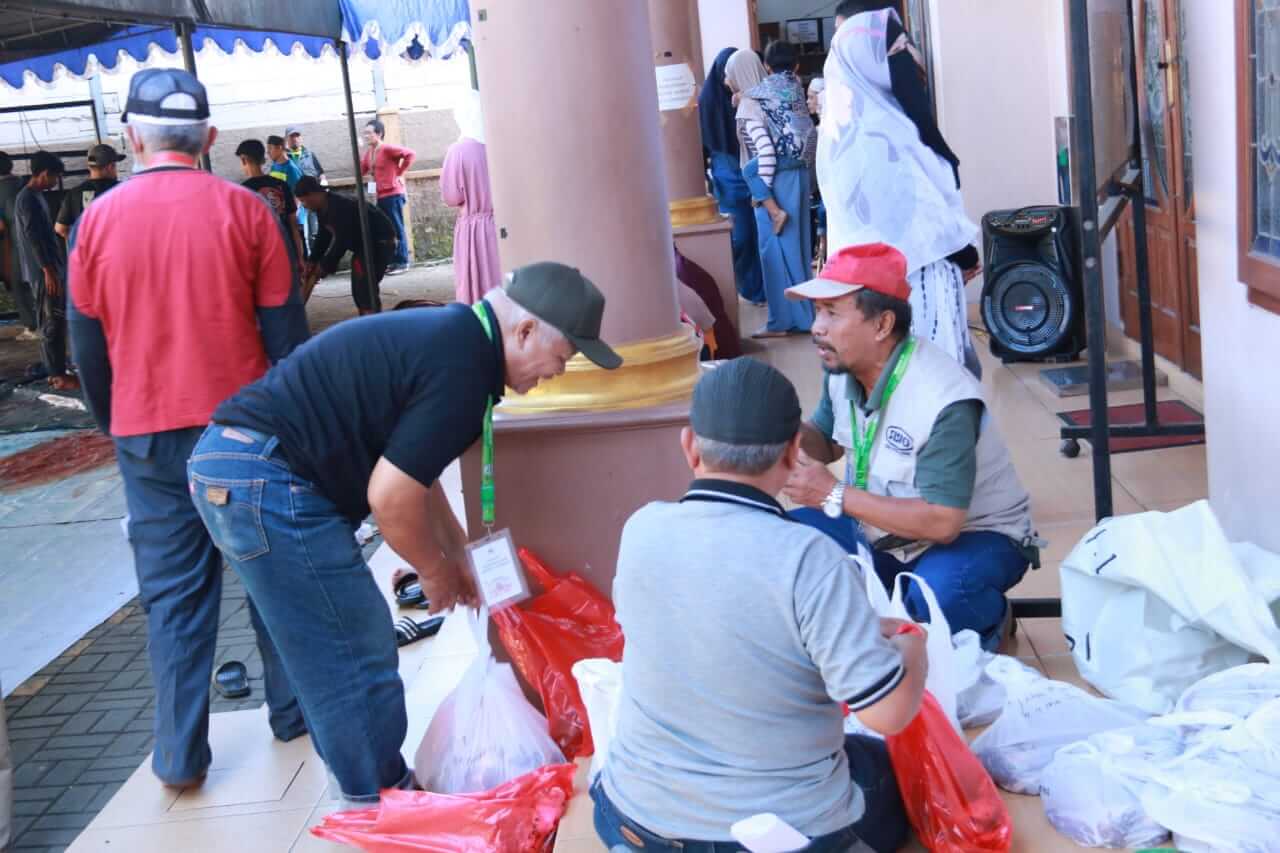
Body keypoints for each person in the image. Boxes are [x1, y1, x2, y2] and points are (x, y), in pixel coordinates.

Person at [187, 262, 622, 802]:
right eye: (563, 356)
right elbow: (390, 498)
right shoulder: (463, 367)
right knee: (355, 649)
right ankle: (381, 802)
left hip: (242, 466)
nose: (557, 371)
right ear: (525, 331)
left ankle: (365, 790)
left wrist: (460, 552)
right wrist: (435, 571)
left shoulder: (461, 346)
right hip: (263, 475)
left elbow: (418, 476)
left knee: (329, 649)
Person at [66, 68, 309, 789]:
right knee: (267, 572)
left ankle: (177, 756)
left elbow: (86, 348)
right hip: (243, 432)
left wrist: (117, 421)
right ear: (207, 138)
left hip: (145, 436)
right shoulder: (249, 212)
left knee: (172, 596)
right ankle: (293, 715)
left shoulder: (94, 222)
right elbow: (286, 338)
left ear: (131, 138)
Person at [596, 357, 924, 853]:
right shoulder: (810, 559)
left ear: (690, 446)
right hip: (783, 836)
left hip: (635, 820)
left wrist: (849, 627)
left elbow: (718, 616)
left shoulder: (641, 528)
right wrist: (911, 648)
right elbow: (888, 713)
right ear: (795, 455)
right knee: (882, 765)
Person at [782, 243, 1036, 651]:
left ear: (882, 325)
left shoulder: (943, 399)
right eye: (816, 312)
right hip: (883, 531)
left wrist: (832, 493)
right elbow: (826, 443)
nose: (816, 328)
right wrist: (780, 427)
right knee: (783, 540)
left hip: (974, 535)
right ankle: (884, 613)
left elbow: (942, 523)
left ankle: (991, 623)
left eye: (831, 312)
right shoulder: (842, 370)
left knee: (941, 595)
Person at [822, 2, 983, 375]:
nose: (905, 59)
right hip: (912, 291)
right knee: (928, 382)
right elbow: (924, 219)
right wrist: (963, 254)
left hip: (867, 298)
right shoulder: (886, 139)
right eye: (895, 52)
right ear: (870, 60)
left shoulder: (844, 137)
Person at [725, 48, 815, 339]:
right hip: (798, 174)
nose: (727, 81)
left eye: (729, 74)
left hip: (773, 181)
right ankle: (803, 316)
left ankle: (781, 321)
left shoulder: (752, 103)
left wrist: (763, 197)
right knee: (797, 248)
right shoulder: (792, 91)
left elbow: (764, 151)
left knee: (773, 250)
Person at [700, 47, 765, 306]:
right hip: (727, 174)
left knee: (762, 232)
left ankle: (765, 290)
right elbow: (704, 142)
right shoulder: (709, 100)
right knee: (742, 235)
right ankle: (750, 287)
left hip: (753, 168)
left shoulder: (748, 99)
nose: (729, 81)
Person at [14, 151, 76, 390]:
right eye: (54, 177)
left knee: (56, 320)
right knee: (50, 322)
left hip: (50, 267)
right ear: (43, 174)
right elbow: (34, 238)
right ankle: (56, 374)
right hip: (44, 272)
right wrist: (48, 270)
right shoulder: (27, 199)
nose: (54, 183)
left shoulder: (34, 196)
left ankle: (58, 368)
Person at [295, 176, 397, 315]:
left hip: (378, 244)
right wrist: (313, 260)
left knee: (365, 290)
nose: (304, 205)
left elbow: (342, 240)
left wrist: (325, 265)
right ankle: (367, 321)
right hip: (363, 247)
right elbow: (324, 236)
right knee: (359, 291)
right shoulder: (323, 208)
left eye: (303, 201)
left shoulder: (340, 206)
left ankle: (373, 323)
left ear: (313, 194)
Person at [441, 93, 500, 304]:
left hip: (474, 228)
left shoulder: (458, 150)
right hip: (500, 224)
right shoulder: (498, 145)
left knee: (476, 282)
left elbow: (451, 196)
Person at [236, 138, 305, 266]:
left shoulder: (242, 191)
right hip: (287, 252)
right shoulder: (281, 185)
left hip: (262, 258)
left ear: (243, 159)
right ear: (262, 158)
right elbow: (293, 225)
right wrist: (300, 258)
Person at [360, 118, 415, 275]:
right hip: (380, 196)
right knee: (386, 230)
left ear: (379, 134)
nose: (366, 136)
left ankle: (403, 262)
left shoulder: (387, 149)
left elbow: (410, 154)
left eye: (369, 133)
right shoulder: (369, 153)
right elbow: (361, 169)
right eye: (365, 133)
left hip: (393, 195)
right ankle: (393, 261)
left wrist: (399, 172)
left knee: (397, 228)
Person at [0, 151, 38, 340]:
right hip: (35, 239)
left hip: (13, 243)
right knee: (35, 281)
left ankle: (32, 326)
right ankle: (45, 319)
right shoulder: (23, 183)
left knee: (17, 283)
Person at [54, 143, 125, 240]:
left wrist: (82, 244)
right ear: (110, 167)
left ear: (89, 167)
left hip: (89, 253)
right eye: (115, 165)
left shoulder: (74, 193)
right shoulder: (123, 190)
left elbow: (60, 228)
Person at [285, 126, 325, 253]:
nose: (295, 139)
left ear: (301, 138)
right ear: (287, 140)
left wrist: (324, 184)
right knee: (302, 233)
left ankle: (317, 259)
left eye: (297, 136)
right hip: (297, 202)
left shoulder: (309, 155)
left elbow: (320, 172)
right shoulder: (285, 158)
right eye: (292, 136)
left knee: (315, 231)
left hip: (312, 198)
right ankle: (307, 262)